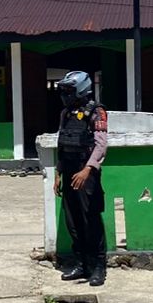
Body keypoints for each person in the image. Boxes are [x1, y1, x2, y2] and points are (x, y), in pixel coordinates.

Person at [54, 70, 109, 287]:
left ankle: (98, 267)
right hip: (68, 170)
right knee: (73, 220)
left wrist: (87, 170)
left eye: (69, 90)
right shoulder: (66, 113)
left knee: (91, 219)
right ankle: (81, 263)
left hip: (86, 172)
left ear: (81, 89)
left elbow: (101, 144)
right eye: (64, 91)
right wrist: (58, 172)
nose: (66, 95)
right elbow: (62, 143)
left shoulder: (97, 112)